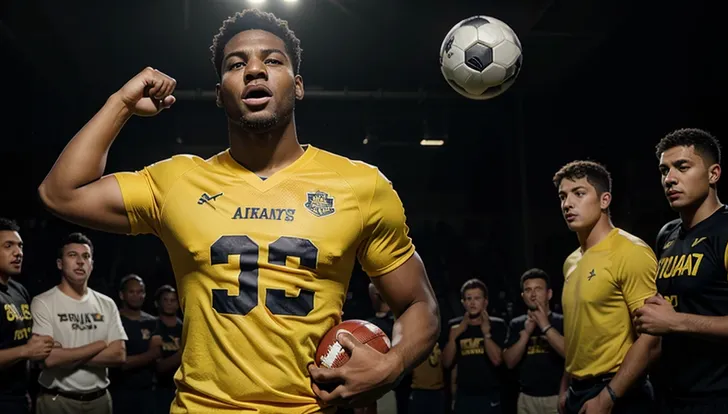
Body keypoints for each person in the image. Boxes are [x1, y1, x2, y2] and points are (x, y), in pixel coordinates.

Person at [37, 8, 440, 413]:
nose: (254, 70)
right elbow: (61, 193)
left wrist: (393, 365)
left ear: (297, 86)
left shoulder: (360, 186)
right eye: (236, 64)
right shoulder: (178, 182)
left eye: (272, 60)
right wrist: (121, 103)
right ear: (219, 93)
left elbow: (419, 304)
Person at [634, 128, 728, 413]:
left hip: (721, 397)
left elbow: (673, 320)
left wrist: (676, 322)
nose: (669, 179)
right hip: (669, 396)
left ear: (714, 174)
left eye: (682, 167)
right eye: (664, 170)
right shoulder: (666, 234)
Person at [553, 160, 660, 414]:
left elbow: (652, 339)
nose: (567, 204)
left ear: (604, 200)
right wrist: (565, 386)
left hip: (620, 392)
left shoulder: (630, 251)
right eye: (563, 196)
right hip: (576, 392)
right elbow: (580, 334)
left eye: (579, 194)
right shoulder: (571, 262)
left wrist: (608, 397)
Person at [31, 233, 127, 414]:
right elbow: (50, 359)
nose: (80, 261)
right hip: (57, 400)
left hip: (99, 401)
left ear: (92, 265)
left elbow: (119, 355)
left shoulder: (107, 303)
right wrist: (100, 345)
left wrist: (66, 355)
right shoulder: (43, 302)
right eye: (72, 255)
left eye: (86, 256)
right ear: (60, 264)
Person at [0, 218, 54, 414]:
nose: (18, 252)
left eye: (20, 246)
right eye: (8, 246)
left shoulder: (18, 290)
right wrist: (26, 351)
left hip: (19, 396)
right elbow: (26, 349)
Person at [503, 268, 564, 414]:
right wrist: (525, 335)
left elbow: (571, 355)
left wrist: (545, 325)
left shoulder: (562, 321)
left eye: (538, 289)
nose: (533, 295)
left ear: (549, 294)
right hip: (526, 398)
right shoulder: (516, 324)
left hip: (556, 397)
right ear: (523, 295)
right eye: (528, 290)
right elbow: (509, 362)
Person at [441, 279, 507, 414]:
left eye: (477, 298)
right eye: (468, 298)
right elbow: (447, 363)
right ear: (463, 303)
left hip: (490, 395)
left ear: (485, 301)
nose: (472, 302)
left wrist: (486, 333)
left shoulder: (497, 325)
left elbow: (497, 360)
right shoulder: (454, 326)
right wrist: (455, 335)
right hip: (464, 396)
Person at [109, 274, 161, 414]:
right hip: (119, 391)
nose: (136, 296)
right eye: (131, 292)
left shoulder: (153, 322)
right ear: (122, 294)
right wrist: (147, 356)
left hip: (147, 391)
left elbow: (156, 353)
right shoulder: (113, 320)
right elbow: (118, 361)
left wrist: (127, 360)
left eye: (140, 292)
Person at [152, 284, 183, 414]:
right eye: (166, 300)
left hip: (181, 387)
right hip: (159, 389)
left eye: (173, 300)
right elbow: (158, 366)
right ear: (157, 303)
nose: (169, 303)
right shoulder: (153, 326)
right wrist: (183, 353)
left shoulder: (185, 326)